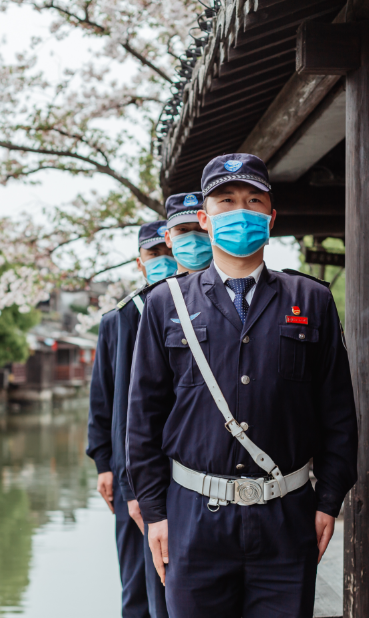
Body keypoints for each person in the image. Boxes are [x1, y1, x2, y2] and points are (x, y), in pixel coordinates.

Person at [126, 153, 358, 617]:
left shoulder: (311, 300)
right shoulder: (164, 305)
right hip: (192, 518)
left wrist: (328, 501)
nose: (240, 212)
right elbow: (143, 418)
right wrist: (154, 510)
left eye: (253, 201)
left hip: (287, 515)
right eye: (226, 202)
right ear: (204, 218)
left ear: (271, 219)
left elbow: (338, 413)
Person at [113, 193, 211, 618]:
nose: (190, 242)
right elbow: (131, 410)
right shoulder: (146, 309)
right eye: (180, 233)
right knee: (157, 582)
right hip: (163, 476)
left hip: (219, 479)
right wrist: (131, 485)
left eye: (196, 230)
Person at [86, 220, 175, 618]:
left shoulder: (197, 308)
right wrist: (103, 462)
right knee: (137, 579)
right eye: (154, 255)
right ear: (141, 262)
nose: (164, 260)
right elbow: (102, 398)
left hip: (181, 463)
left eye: (167, 252)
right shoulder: (119, 319)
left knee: (176, 576)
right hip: (128, 472)